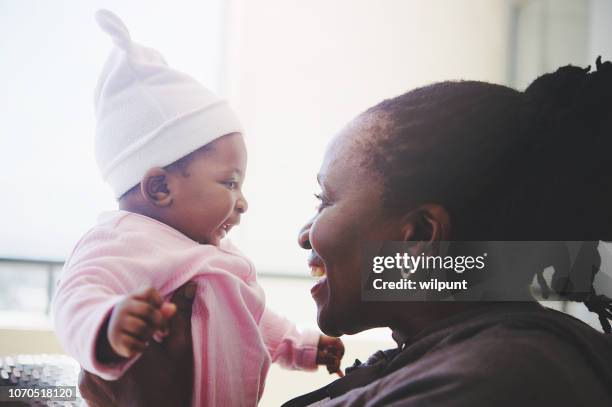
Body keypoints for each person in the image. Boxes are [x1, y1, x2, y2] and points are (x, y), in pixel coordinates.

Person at [79, 58, 612, 406]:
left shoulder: (492, 383)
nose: (304, 235)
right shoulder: (452, 355)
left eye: (325, 200)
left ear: (419, 238)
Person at [52, 10, 343, 407]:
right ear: (159, 187)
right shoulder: (123, 241)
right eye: (229, 182)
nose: (242, 202)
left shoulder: (217, 256)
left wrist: (303, 346)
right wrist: (107, 327)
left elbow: (254, 318)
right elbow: (75, 297)